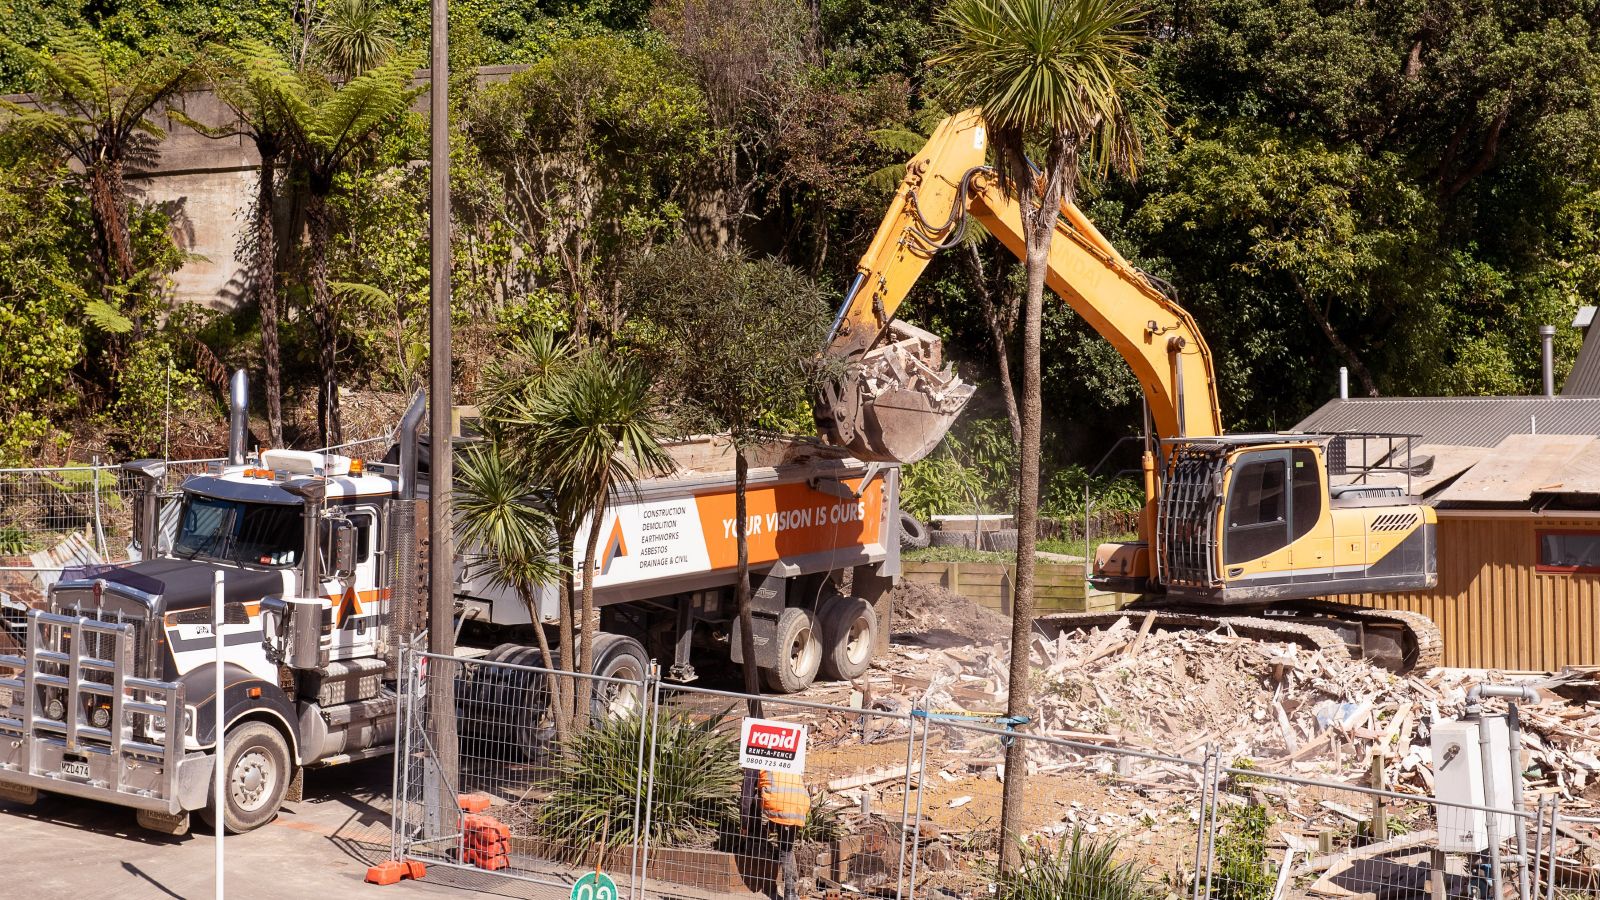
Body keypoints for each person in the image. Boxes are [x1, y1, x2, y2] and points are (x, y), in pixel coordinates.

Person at [740, 768, 810, 900]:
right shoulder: (784, 757)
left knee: (785, 849)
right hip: (800, 802)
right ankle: (791, 892)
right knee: (787, 847)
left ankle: (789, 893)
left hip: (780, 802)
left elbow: (747, 795)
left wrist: (744, 824)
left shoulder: (755, 760)